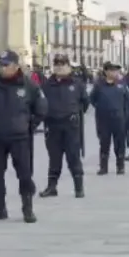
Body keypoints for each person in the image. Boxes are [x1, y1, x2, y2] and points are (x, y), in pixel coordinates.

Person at [0, 50, 48, 224]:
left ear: (16, 66)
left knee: (24, 174)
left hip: (20, 138)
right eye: (0, 65)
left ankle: (27, 208)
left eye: (6, 65)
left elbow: (41, 109)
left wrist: (28, 126)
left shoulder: (28, 86)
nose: (2, 68)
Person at [39, 54, 89, 198]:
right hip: (52, 126)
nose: (60, 66)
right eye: (57, 64)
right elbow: (40, 104)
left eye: (63, 63)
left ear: (69, 66)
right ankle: (52, 187)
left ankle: (78, 188)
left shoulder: (77, 84)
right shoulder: (47, 85)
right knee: (54, 158)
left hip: (70, 126)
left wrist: (75, 114)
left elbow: (85, 103)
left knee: (73, 157)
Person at [90, 61, 129, 175]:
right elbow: (92, 99)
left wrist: (124, 114)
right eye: (111, 70)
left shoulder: (122, 84)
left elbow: (127, 99)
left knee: (120, 143)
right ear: (106, 71)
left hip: (118, 118)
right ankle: (103, 167)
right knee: (104, 143)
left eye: (116, 70)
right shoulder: (99, 85)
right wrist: (101, 107)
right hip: (104, 119)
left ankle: (120, 166)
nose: (114, 72)